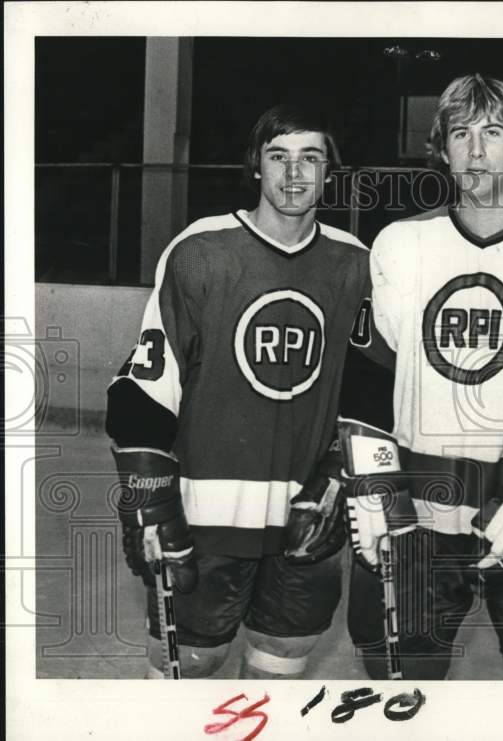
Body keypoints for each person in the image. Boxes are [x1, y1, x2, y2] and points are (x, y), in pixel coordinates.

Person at [289, 74, 503, 680]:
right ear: (442, 148)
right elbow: (369, 376)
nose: (477, 150)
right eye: (461, 134)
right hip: (416, 519)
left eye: (493, 132)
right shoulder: (401, 244)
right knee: (400, 699)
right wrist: (374, 488)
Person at [106, 104, 372, 679]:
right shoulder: (202, 249)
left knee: (281, 666)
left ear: (331, 171)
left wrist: (336, 477)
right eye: (279, 157)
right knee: (189, 664)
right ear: (256, 166)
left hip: (306, 517)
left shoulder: (356, 264)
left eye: (310, 158)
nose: (294, 173)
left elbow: (368, 390)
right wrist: (150, 504)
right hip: (208, 515)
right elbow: (144, 390)